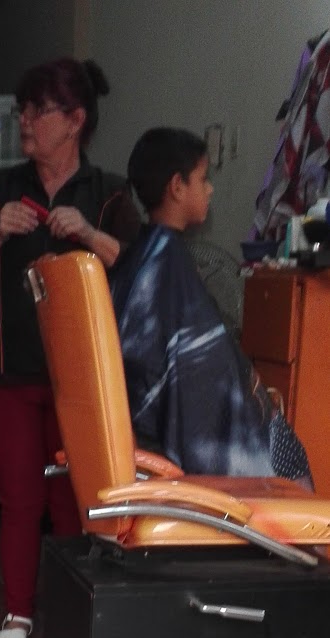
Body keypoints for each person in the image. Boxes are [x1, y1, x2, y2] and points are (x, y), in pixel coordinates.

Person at [0, 57, 139, 638]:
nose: (25, 121)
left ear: (75, 120)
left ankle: (73, 611)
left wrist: (86, 233)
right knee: (20, 498)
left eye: (39, 110)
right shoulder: (2, 188)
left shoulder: (108, 193)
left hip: (79, 378)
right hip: (6, 372)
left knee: (75, 500)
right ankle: (18, 612)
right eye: (22, 110)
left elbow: (139, 268)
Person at [112, 127, 312, 483]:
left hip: (138, 424)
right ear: (177, 187)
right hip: (163, 441)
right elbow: (205, 381)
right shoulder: (168, 264)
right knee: (289, 457)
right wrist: (252, 394)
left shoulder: (139, 258)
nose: (210, 189)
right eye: (203, 179)